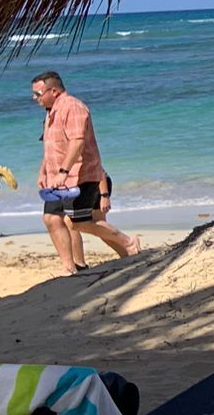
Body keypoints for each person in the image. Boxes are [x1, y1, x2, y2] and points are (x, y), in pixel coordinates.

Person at [30, 71, 140, 275]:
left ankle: (128, 242)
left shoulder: (73, 107)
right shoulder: (50, 112)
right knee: (51, 219)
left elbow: (77, 142)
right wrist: (43, 172)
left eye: (38, 94)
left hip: (80, 176)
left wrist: (64, 171)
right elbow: (50, 147)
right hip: (56, 180)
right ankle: (69, 267)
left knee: (79, 223)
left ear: (53, 91)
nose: (35, 98)